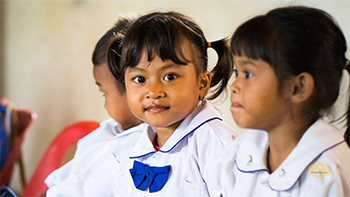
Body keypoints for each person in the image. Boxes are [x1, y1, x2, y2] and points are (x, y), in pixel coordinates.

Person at [217, 6, 350, 196]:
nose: (234, 85)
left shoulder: (329, 172)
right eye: (236, 72)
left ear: (298, 87)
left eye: (248, 73)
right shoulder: (239, 151)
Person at [108, 11, 237, 196]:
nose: (153, 92)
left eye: (169, 76)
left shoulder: (217, 145)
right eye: (139, 79)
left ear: (202, 83)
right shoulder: (128, 147)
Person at [43, 15, 145, 196]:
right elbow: (60, 182)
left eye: (104, 93)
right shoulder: (109, 130)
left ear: (132, 89)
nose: (105, 105)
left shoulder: (138, 148)